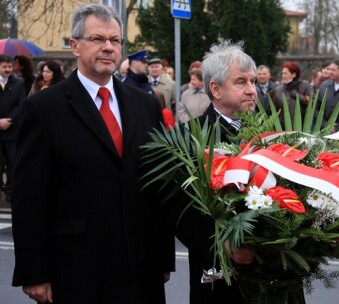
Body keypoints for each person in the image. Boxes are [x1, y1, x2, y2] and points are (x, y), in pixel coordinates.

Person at [11, 4, 175, 304]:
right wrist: (34, 271)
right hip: (76, 267)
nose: (109, 48)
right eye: (98, 39)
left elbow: (157, 186)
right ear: (75, 45)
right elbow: (28, 195)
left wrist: (164, 257)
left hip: (141, 268)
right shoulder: (44, 109)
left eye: (115, 40)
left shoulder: (145, 105)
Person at [172, 40, 256, 303]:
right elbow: (177, 210)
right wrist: (224, 244)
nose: (252, 90)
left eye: (253, 82)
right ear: (216, 89)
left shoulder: (276, 131)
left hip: (276, 280)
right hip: (220, 279)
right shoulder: (189, 138)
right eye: (241, 82)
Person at [0, 55, 26, 202]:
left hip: (12, 130)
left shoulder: (19, 83)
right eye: (4, 67)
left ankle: (11, 190)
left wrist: (9, 120)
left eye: (9, 67)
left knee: (12, 163)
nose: (8, 70)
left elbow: (22, 104)